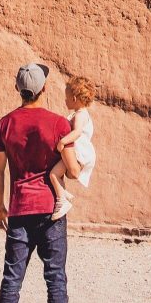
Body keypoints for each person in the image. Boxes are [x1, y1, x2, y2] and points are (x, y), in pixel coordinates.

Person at [0, 61, 83, 303]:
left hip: (18, 209)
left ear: (18, 89)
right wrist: (79, 167)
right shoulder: (58, 123)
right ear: (44, 89)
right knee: (55, 279)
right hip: (50, 212)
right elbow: (70, 168)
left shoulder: (4, 125)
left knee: (12, 278)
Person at [48, 75, 98, 220]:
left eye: (66, 97)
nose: (65, 100)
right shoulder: (78, 114)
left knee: (53, 174)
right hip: (77, 152)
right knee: (55, 174)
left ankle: (62, 200)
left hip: (79, 152)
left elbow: (76, 132)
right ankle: (63, 193)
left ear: (74, 99)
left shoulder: (81, 115)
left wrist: (63, 142)